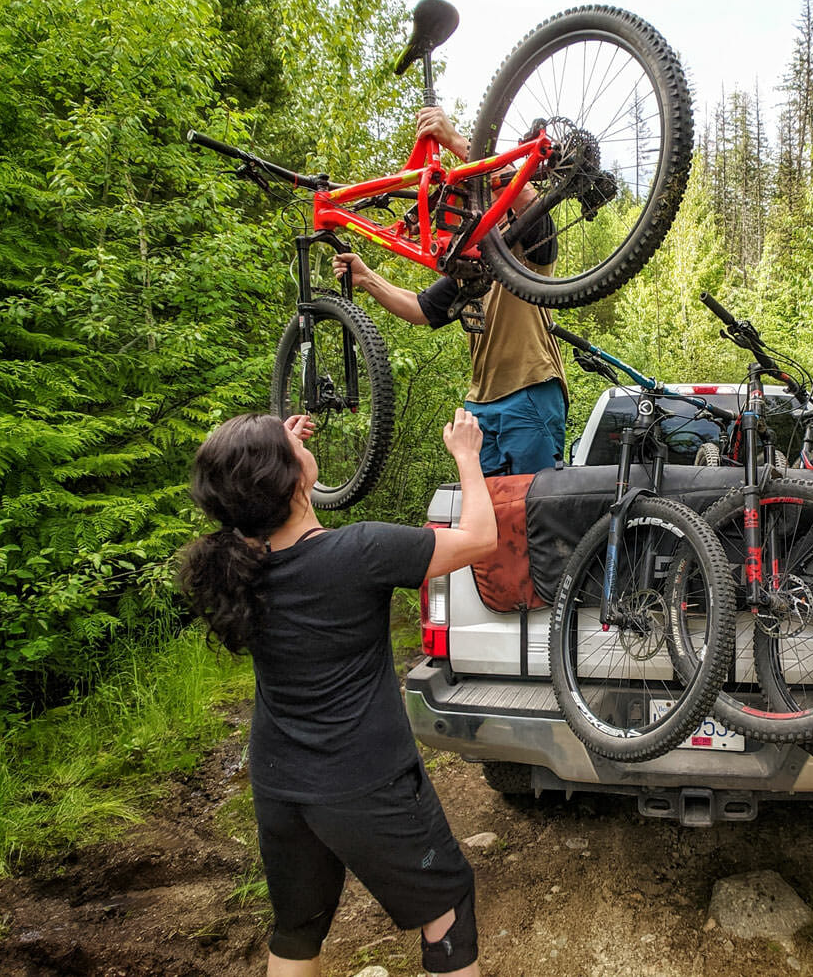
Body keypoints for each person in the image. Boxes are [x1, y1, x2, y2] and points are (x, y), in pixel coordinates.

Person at [177, 409, 496, 977]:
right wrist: (467, 458)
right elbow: (479, 538)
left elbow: (261, 502)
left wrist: (285, 456)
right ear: (292, 480)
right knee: (446, 913)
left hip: (280, 783)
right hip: (365, 781)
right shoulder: (360, 553)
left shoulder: (239, 569)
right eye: (288, 445)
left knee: (298, 929)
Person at [333, 106, 568, 477]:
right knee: (486, 518)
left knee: (534, 511)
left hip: (531, 390)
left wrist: (455, 141)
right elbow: (420, 309)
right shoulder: (469, 269)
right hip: (480, 406)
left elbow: (527, 199)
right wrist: (366, 278)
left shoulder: (530, 256)